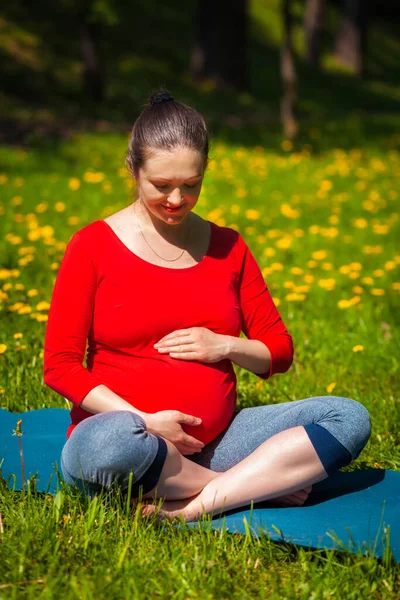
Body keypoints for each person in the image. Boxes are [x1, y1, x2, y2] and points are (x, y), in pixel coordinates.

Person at [43, 89, 371, 522]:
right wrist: (145, 420)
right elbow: (60, 366)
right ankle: (256, 485)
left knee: (348, 417)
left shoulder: (228, 247)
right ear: (133, 169)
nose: (176, 200)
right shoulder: (92, 247)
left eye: (191, 185)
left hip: (218, 442)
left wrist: (225, 346)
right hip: (131, 438)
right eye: (161, 186)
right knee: (107, 445)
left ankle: (191, 507)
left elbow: (279, 351)